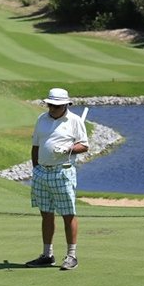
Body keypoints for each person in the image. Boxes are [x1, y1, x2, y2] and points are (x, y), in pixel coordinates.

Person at [27, 88, 89, 271]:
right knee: (46, 213)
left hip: (62, 172)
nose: (52, 108)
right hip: (41, 173)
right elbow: (36, 146)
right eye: (50, 105)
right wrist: (36, 168)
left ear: (65, 105)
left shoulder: (75, 121)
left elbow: (84, 145)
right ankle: (47, 255)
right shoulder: (41, 119)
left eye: (56, 105)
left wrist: (68, 149)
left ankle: (71, 256)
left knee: (68, 214)